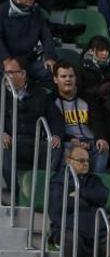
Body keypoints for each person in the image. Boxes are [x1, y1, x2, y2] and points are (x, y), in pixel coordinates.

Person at [49, 146, 110, 257]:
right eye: (81, 160)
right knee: (72, 240)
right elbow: (58, 208)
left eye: (88, 161)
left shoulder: (94, 179)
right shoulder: (58, 181)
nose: (86, 164)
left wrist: (80, 193)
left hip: (96, 230)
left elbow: (102, 196)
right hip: (70, 228)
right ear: (68, 160)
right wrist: (88, 201)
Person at [0, 56, 63, 184]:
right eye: (5, 72)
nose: (6, 76)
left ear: (23, 74)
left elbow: (55, 118)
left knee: (56, 148)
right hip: (10, 142)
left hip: (34, 144)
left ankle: (41, 187)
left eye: (10, 73)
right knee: (1, 147)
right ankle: (16, 192)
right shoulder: (1, 94)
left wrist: (56, 135)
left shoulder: (40, 94)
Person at [53, 61, 110, 173]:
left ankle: (94, 182)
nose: (68, 79)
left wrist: (100, 138)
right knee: (65, 147)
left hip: (90, 142)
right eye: (63, 76)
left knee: (103, 148)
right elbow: (54, 126)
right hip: (68, 142)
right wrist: (70, 139)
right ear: (55, 79)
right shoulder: (51, 101)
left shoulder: (89, 99)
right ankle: (65, 183)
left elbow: (98, 121)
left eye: (71, 76)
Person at [0, 0, 56, 83]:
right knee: (10, 77)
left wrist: (50, 57)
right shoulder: (2, 11)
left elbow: (47, 37)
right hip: (4, 61)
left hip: (27, 60)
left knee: (52, 72)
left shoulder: (36, 12)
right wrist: (7, 61)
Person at [77, 36, 110, 112]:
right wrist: (99, 90)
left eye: (107, 50)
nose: (105, 53)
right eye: (101, 50)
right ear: (92, 51)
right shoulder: (82, 67)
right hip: (88, 106)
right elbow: (80, 91)